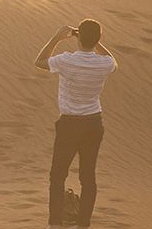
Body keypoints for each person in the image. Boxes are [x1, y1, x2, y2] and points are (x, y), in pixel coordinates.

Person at [34, 19, 119, 229]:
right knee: (88, 177)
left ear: (78, 37)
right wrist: (95, 41)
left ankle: (55, 224)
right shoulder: (103, 64)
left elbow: (40, 61)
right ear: (98, 39)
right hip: (93, 123)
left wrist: (58, 37)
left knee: (58, 175)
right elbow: (113, 61)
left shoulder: (66, 61)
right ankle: (83, 224)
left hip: (69, 125)